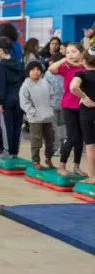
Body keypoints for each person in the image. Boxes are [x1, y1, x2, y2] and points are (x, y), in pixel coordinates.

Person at [49, 42, 86, 176]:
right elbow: (51, 69)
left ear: (81, 53)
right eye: (68, 52)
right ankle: (62, 166)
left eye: (74, 52)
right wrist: (64, 59)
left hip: (83, 106)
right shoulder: (66, 68)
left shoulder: (86, 67)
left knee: (80, 138)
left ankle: (76, 166)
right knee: (71, 137)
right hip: (69, 106)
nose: (70, 54)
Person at [0, 38, 25, 159]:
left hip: (6, 98)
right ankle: (15, 151)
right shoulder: (20, 64)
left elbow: (1, 87)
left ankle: (7, 151)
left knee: (6, 125)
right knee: (18, 125)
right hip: (20, 98)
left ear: (1, 50)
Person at [20, 61, 56, 170]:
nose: (36, 72)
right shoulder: (25, 86)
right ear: (28, 72)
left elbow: (53, 95)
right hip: (35, 119)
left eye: (38, 69)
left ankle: (48, 158)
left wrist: (51, 107)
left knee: (50, 140)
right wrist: (33, 112)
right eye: (33, 69)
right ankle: (36, 161)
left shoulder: (45, 83)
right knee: (36, 141)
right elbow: (24, 103)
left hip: (48, 117)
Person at [70, 50, 95, 182]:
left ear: (84, 61)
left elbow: (73, 87)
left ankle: (93, 177)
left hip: (88, 112)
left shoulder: (81, 74)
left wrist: (84, 97)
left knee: (91, 146)